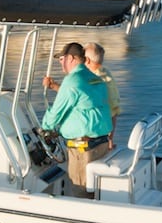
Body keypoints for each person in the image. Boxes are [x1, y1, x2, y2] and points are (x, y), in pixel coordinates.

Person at [41, 42, 113, 197]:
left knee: (81, 192)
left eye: (61, 59)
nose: (60, 63)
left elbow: (54, 115)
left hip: (83, 149)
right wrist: (54, 86)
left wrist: (44, 127)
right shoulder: (93, 78)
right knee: (95, 191)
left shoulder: (72, 81)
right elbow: (82, 101)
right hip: (101, 144)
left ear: (72, 58)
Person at [83, 42, 120, 148]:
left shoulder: (93, 80)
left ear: (87, 60)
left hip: (95, 133)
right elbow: (114, 111)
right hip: (106, 129)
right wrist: (110, 139)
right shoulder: (106, 74)